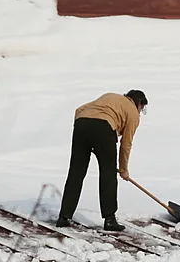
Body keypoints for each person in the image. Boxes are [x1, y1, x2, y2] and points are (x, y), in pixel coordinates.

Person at [57, 89, 147, 232]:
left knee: (76, 172)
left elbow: (79, 110)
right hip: (104, 128)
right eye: (142, 109)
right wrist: (123, 169)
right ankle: (110, 219)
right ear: (139, 103)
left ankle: (64, 216)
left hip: (81, 125)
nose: (140, 112)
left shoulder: (110, 96)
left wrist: (87, 137)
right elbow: (126, 144)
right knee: (108, 173)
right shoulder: (133, 112)